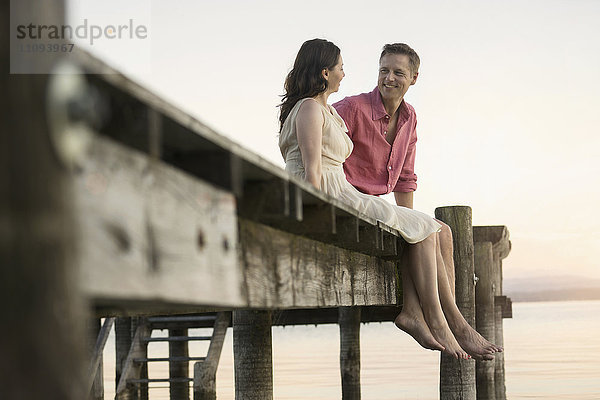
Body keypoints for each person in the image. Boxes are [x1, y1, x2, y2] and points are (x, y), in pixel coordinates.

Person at [278, 38, 501, 360]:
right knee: (423, 228)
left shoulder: (403, 117)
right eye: (383, 70)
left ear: (413, 77)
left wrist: (406, 225)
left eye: (398, 72)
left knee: (435, 230)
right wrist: (312, 224)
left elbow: (406, 176)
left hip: (346, 194)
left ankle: (433, 316)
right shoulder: (334, 109)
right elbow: (312, 173)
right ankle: (446, 323)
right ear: (326, 72)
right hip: (340, 196)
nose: (387, 77)